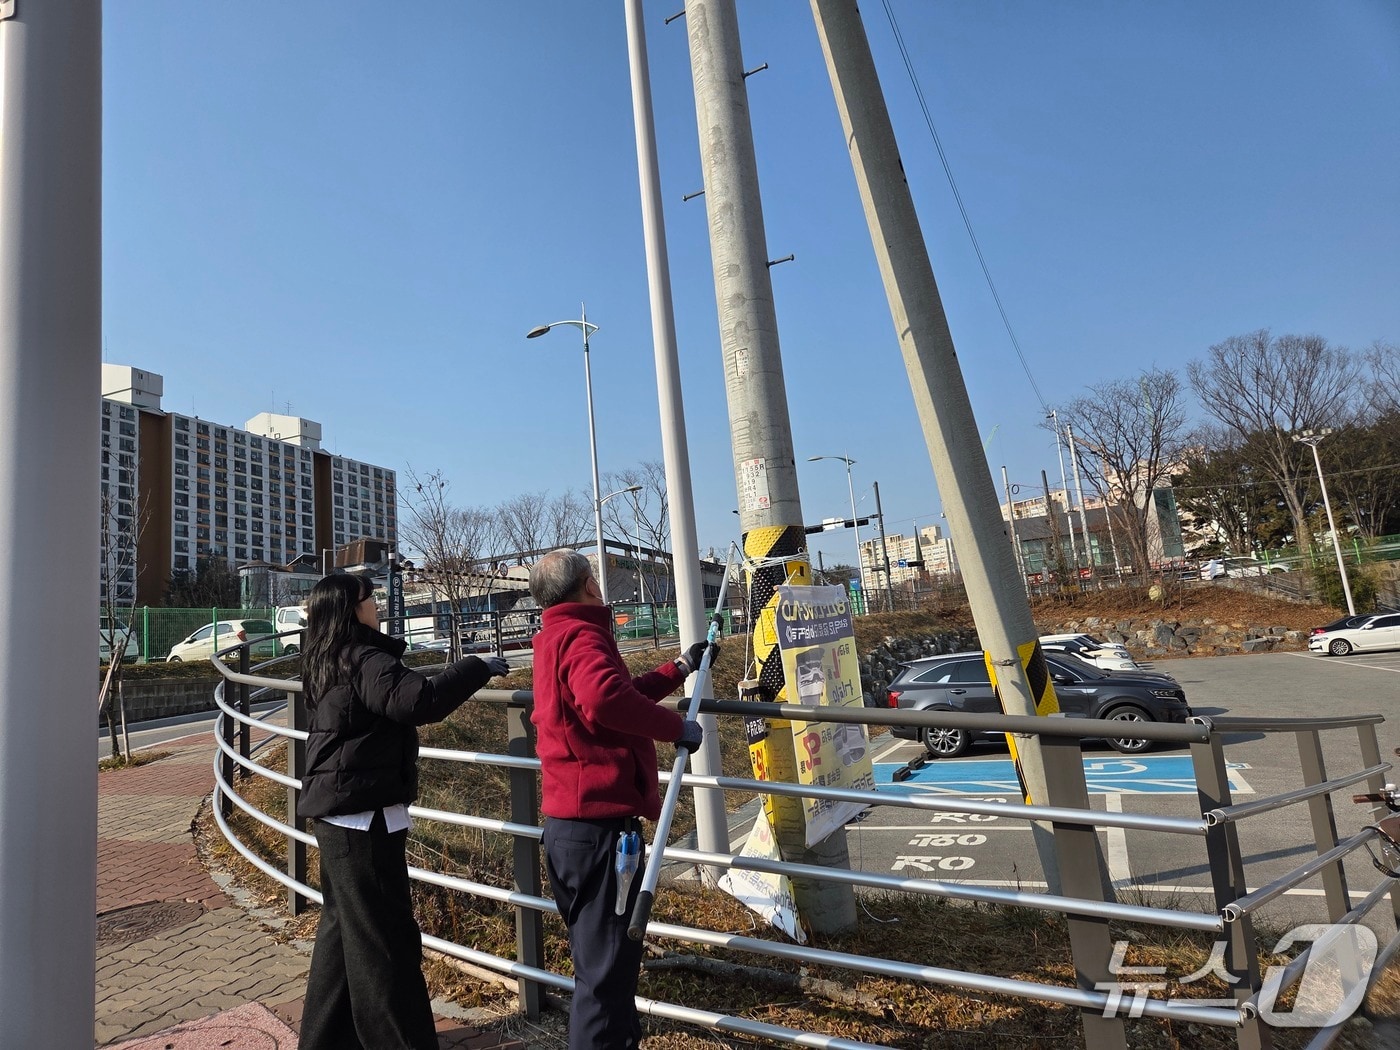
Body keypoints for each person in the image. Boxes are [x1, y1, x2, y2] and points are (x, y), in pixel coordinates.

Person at [296, 572, 511, 1050]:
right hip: (362, 821)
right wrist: (475, 666)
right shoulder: (364, 657)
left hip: (340, 817)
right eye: (371, 599)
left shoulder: (327, 657)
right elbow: (420, 700)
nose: (378, 606)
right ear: (354, 610)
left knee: (343, 936)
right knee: (386, 946)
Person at [528, 549, 713, 1050]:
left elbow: (616, 691)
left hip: (568, 828)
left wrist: (678, 669)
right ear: (588, 585)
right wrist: (679, 727)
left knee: (604, 967)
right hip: (601, 833)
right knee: (606, 981)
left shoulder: (552, 637)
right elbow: (606, 698)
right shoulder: (583, 633)